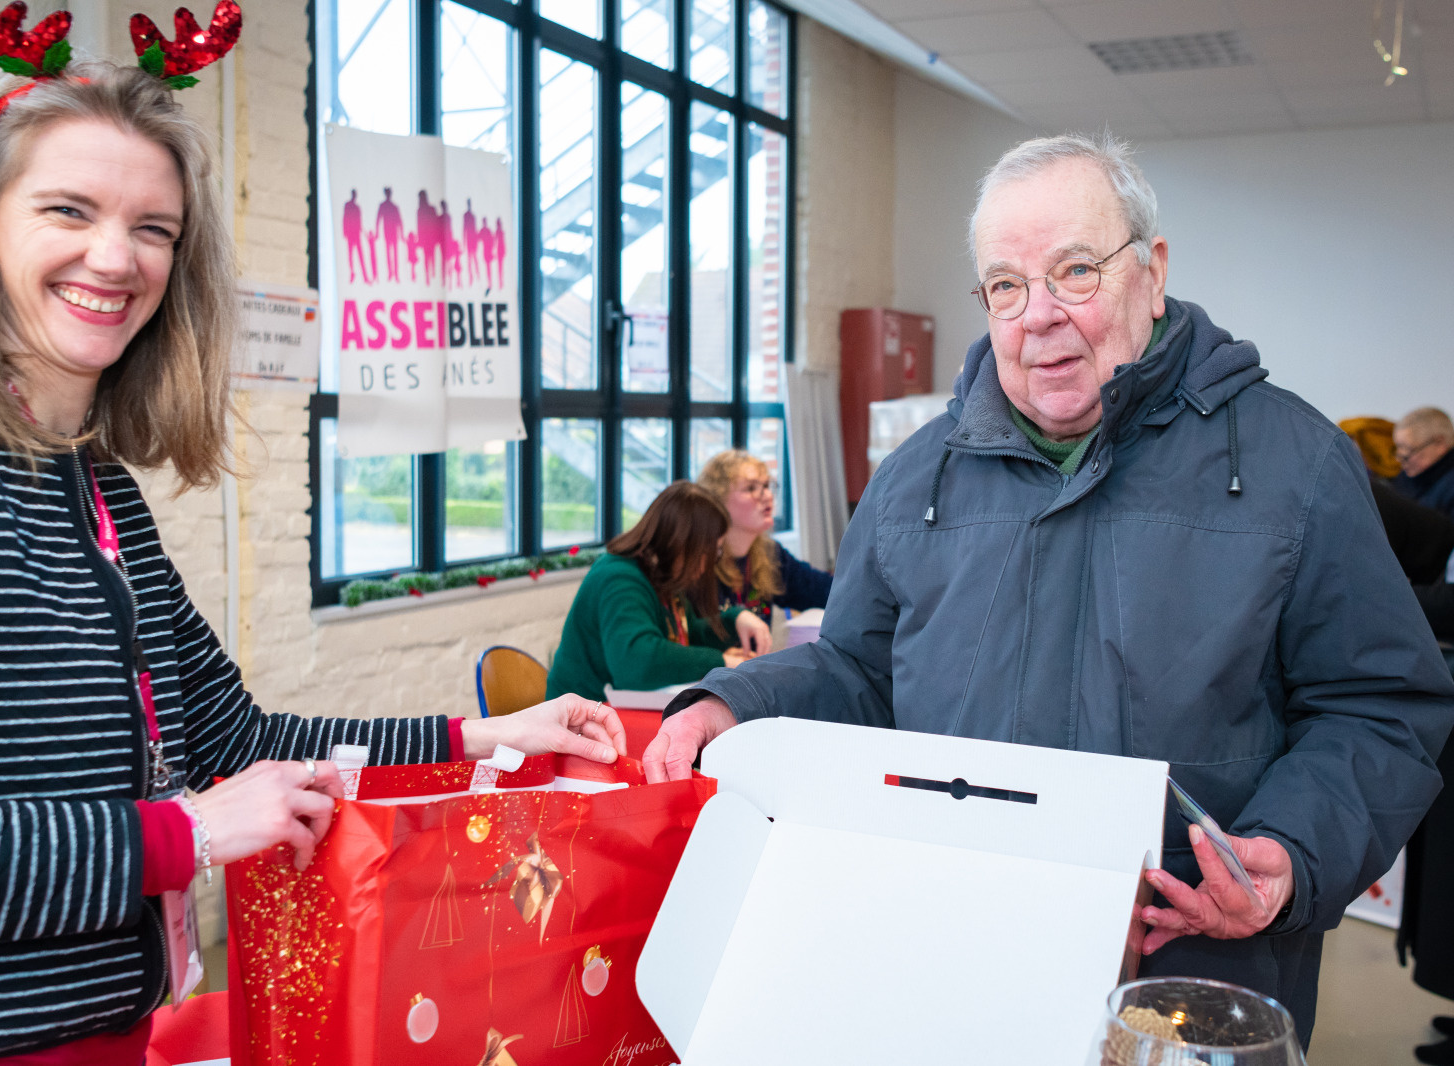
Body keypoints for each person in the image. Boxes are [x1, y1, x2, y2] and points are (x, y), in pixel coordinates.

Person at [0, 56, 626, 1063]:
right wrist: (186, 835)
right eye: (67, 211)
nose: (115, 257)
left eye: (152, 229)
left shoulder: (95, 490)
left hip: (108, 1031)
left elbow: (241, 738)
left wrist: (485, 733)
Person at [643, 132, 1454, 1045]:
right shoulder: (918, 481)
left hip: (1184, 970)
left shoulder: (1294, 465)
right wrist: (736, 702)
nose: (1038, 315)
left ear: (1150, 273)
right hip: (954, 951)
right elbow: (863, 674)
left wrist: (1293, 852)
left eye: (1075, 270)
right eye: (1006, 285)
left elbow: (1380, 705)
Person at [545, 480, 771, 701]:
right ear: (684, 546)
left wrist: (735, 620)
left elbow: (688, 636)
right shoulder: (619, 577)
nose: (711, 562)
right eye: (712, 551)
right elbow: (636, 662)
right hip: (578, 719)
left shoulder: (662, 571)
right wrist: (719, 660)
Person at [696, 449, 832, 626]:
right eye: (751, 488)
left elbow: (824, 591)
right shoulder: (697, 561)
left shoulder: (769, 553)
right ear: (717, 500)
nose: (767, 496)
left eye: (767, 486)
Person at [1394, 407, 1454, 521]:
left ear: (1439, 443)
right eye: (1398, 449)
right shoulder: (1406, 477)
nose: (1399, 459)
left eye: (1409, 451)